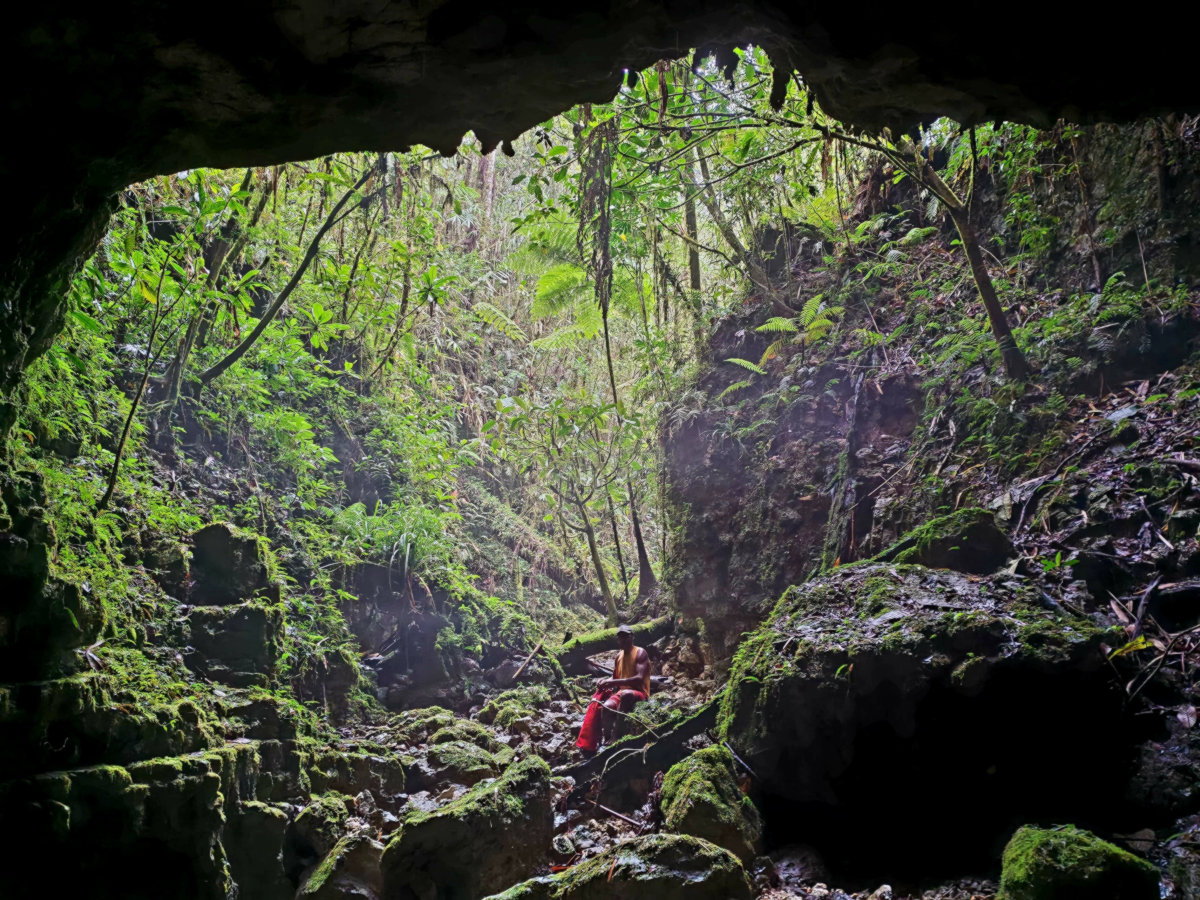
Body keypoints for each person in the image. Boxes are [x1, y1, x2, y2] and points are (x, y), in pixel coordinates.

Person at [574, 623, 651, 753]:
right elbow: (615, 676)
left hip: (639, 692)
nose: (623, 640)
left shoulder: (640, 652)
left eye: (626, 637)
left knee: (626, 694)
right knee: (607, 706)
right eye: (621, 638)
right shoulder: (619, 656)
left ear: (632, 637)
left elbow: (639, 678)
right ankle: (607, 738)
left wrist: (614, 682)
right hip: (622, 691)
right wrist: (605, 681)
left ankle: (617, 735)